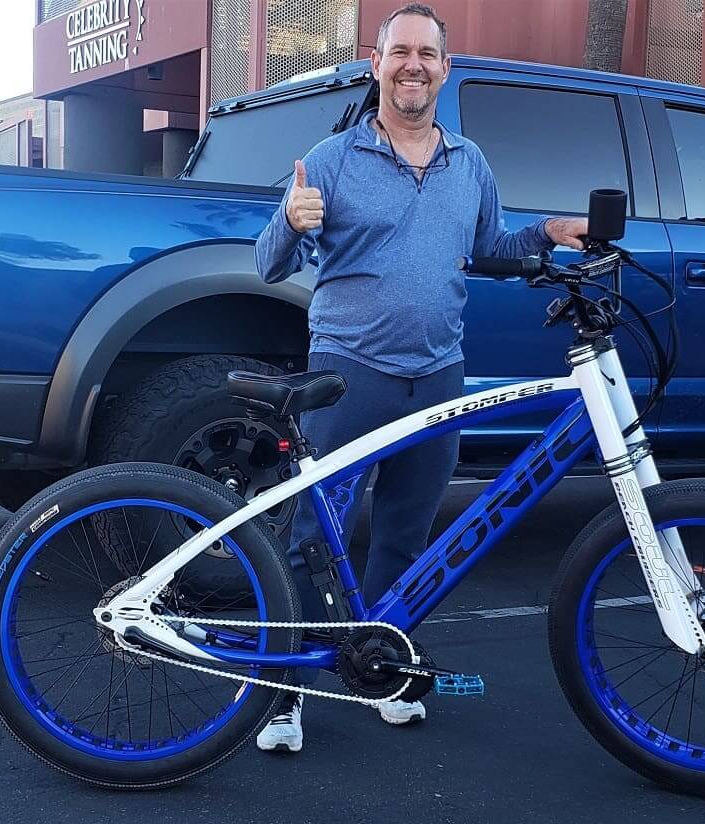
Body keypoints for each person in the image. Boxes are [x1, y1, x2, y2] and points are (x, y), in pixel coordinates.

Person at [251, 3, 588, 753]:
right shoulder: (333, 158)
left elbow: (490, 247)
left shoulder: (470, 161)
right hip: (347, 375)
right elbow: (268, 263)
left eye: (426, 54)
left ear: (445, 66)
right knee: (315, 534)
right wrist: (291, 219)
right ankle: (284, 694)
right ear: (377, 64)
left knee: (405, 536)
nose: (413, 65)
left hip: (438, 376)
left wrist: (547, 236)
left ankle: (382, 672)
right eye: (398, 51)